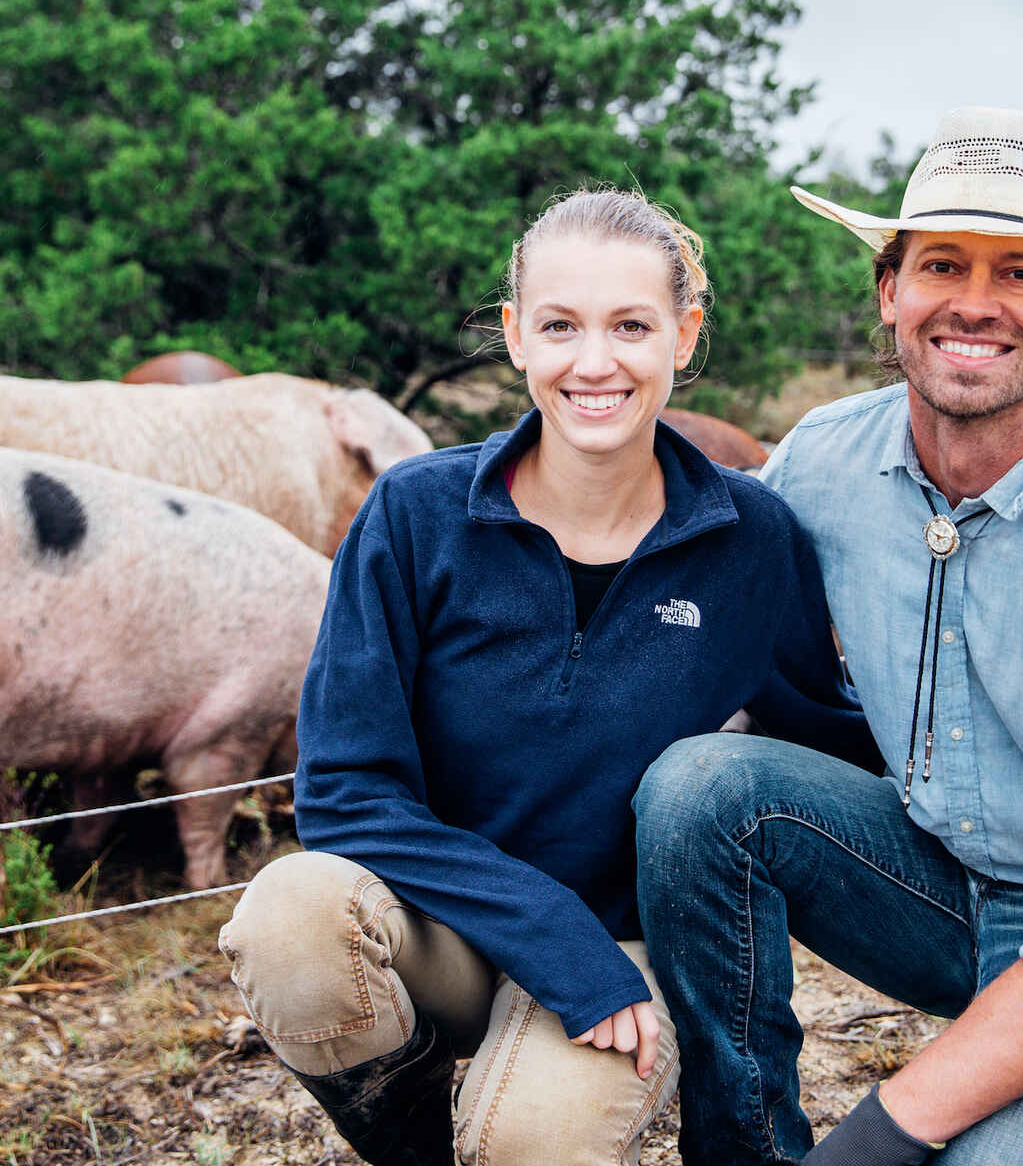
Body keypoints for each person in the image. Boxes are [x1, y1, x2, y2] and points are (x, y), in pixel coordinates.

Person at [634, 107, 1023, 1166]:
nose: (973, 303)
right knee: (696, 788)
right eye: (942, 264)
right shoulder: (825, 459)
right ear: (889, 291)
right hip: (932, 871)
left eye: (1020, 273)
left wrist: (874, 1136)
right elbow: (695, 623)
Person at [218, 188, 878, 1166]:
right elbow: (345, 794)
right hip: (446, 928)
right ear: (515, 334)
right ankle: (413, 1148)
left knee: (526, 1146)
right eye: (560, 325)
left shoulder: (749, 538)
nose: (595, 361)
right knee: (289, 917)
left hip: (630, 950)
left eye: (631, 325)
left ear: (684, 337)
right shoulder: (415, 514)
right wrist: (550, 936)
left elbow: (817, 744)